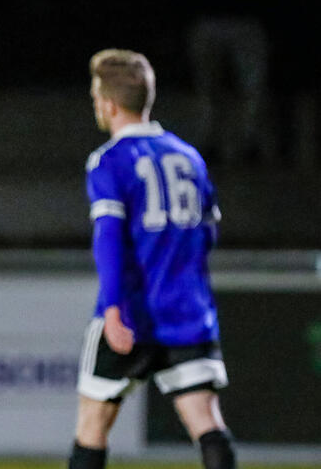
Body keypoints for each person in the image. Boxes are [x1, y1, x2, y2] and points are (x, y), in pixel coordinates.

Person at [70, 49, 236, 469]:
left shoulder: (109, 160)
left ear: (108, 103)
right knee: (205, 420)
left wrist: (112, 308)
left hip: (133, 312)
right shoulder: (190, 158)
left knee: (93, 425)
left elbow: (109, 239)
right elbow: (207, 234)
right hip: (187, 311)